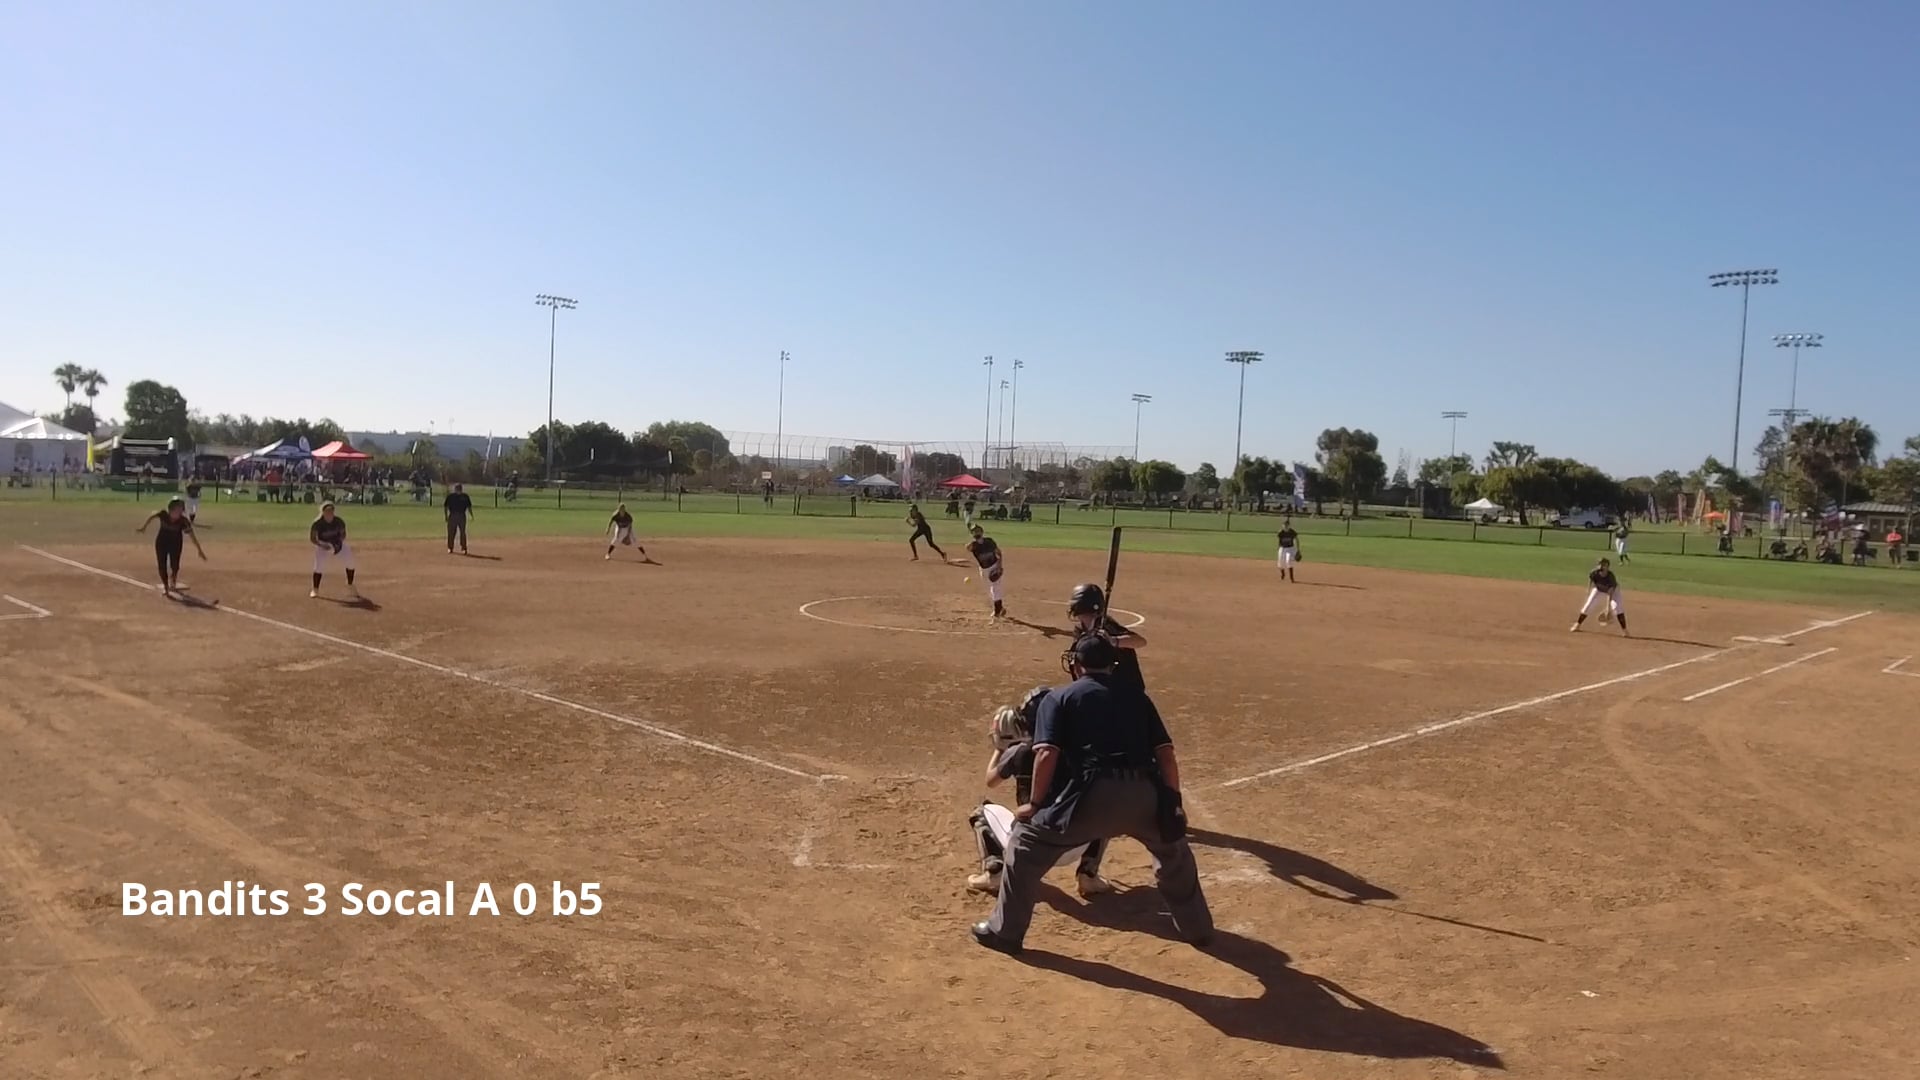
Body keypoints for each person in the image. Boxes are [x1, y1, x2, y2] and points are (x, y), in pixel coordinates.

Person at [972, 634, 1211, 954]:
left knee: (1024, 846)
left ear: (1077, 665)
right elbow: (1166, 754)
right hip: (1145, 794)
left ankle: (1005, 933)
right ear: (1112, 665)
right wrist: (1172, 803)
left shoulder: (1059, 698)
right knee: (1174, 852)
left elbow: (1046, 754)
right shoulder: (1138, 697)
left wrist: (1035, 804)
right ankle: (1198, 929)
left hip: (1091, 796)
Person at [135, 497, 206, 596]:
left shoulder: (183, 521)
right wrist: (144, 527)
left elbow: (192, 536)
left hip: (175, 544)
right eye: (178, 508)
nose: (180, 510)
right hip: (161, 543)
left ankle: (173, 580)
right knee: (162, 565)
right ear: (171, 508)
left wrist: (199, 550)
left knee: (175, 565)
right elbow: (152, 516)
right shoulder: (163, 514)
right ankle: (166, 587)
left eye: (181, 508)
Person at [309, 501, 358, 599]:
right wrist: (322, 545)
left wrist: (338, 544)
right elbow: (313, 539)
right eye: (327, 511)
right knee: (318, 567)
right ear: (323, 512)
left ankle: (350, 585)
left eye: (331, 511)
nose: (329, 513)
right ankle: (315, 589)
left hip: (337, 544)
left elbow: (343, 535)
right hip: (323, 545)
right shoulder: (317, 523)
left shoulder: (339, 521)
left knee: (350, 562)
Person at [1569, 557, 1628, 635]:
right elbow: (1591, 579)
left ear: (1607, 567)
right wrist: (1588, 589)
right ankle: (1577, 625)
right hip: (1599, 589)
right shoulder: (1594, 572)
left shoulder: (1610, 577)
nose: (1601, 566)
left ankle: (1625, 630)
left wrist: (1608, 608)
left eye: (1603, 565)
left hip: (1614, 592)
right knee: (1588, 606)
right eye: (1600, 564)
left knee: (1617, 608)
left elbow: (1610, 593)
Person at [965, 523, 1007, 618]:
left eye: (978, 530)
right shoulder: (973, 545)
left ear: (982, 532)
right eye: (974, 531)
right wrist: (975, 540)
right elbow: (967, 547)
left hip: (994, 566)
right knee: (990, 590)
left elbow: (999, 553)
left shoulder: (989, 541)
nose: (976, 532)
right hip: (983, 570)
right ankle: (1000, 607)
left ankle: (997, 611)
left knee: (995, 588)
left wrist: (999, 566)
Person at [444, 483, 475, 555]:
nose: (458, 490)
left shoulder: (465, 496)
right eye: (457, 488)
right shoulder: (451, 496)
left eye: (459, 488)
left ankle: (464, 548)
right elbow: (446, 506)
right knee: (451, 532)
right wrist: (446, 516)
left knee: (462, 533)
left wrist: (471, 515)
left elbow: (469, 507)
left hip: (461, 515)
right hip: (452, 515)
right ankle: (450, 547)